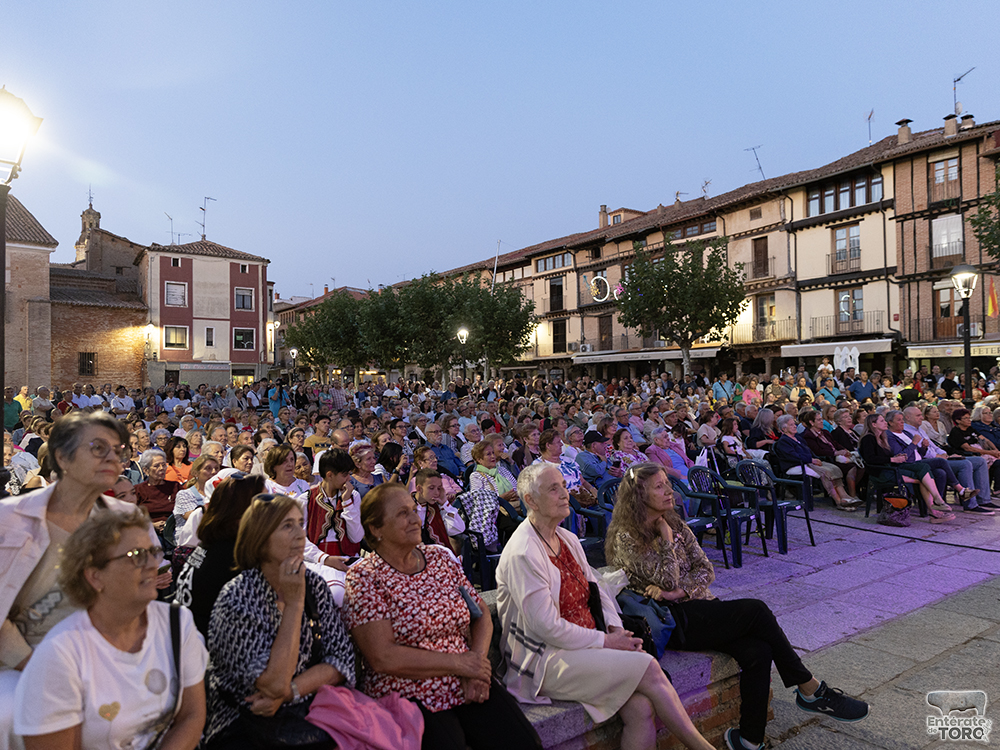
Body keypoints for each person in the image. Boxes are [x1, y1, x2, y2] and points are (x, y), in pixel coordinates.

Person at [606, 463, 868, 749]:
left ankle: (749, 741)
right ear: (638, 494)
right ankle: (810, 688)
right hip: (672, 619)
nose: (669, 490)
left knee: (759, 650)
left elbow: (705, 569)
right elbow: (666, 580)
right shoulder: (626, 536)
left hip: (696, 606)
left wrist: (679, 590)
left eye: (668, 483)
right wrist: (666, 542)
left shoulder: (675, 521)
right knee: (755, 610)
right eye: (659, 486)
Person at [496, 463, 714, 750]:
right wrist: (606, 641)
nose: (565, 493)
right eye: (554, 488)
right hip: (545, 661)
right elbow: (545, 627)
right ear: (530, 501)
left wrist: (614, 628)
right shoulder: (523, 552)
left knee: (640, 708)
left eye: (564, 485)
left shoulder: (567, 538)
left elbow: (597, 591)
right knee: (648, 666)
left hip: (583, 647)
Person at [0, 412, 163, 749]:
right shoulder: (10, 518)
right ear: (62, 457)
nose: (111, 458)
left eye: (117, 450)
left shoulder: (129, 521)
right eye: (98, 448)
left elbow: (141, 601)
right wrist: (37, 666)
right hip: (20, 663)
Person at [345, 482, 542, 750]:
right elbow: (382, 657)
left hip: (465, 676)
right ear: (375, 529)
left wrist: (476, 666)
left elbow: (481, 613)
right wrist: (460, 664)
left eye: (414, 510)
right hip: (408, 690)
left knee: (522, 741)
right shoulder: (366, 576)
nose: (415, 519)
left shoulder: (440, 558)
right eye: (402, 513)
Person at [13, 508, 207, 750]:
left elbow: (192, 716)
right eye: (136, 555)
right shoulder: (60, 655)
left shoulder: (178, 623)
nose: (152, 564)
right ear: (94, 576)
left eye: (153, 552)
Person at [203, 493, 356, 747]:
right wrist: (294, 604)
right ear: (260, 538)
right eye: (287, 526)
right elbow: (272, 683)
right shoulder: (238, 596)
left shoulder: (314, 584)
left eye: (299, 523)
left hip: (310, 711)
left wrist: (291, 692)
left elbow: (342, 659)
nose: (299, 534)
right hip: (245, 724)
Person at [176, 473, 266, 637]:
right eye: (265, 501)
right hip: (209, 648)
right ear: (243, 510)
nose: (274, 507)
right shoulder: (235, 557)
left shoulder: (213, 543)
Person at [859, 414, 955, 521]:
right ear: (873, 425)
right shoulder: (868, 438)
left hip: (891, 468)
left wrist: (896, 457)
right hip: (882, 473)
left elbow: (885, 456)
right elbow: (870, 459)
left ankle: (936, 506)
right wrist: (892, 459)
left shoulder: (882, 438)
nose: (885, 422)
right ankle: (935, 509)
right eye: (882, 421)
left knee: (923, 470)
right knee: (923, 472)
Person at [773, 414, 861, 510]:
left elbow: (809, 451)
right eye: (791, 425)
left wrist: (816, 458)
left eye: (794, 424)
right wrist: (811, 460)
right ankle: (839, 502)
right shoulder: (784, 442)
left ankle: (845, 497)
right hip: (796, 465)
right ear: (784, 429)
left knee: (835, 469)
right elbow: (793, 456)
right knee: (826, 473)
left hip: (808, 462)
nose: (795, 426)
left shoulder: (798, 438)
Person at [304, 448, 364, 560]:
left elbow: (356, 537)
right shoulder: (306, 499)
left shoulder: (353, 496)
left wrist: (347, 503)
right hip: (319, 561)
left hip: (348, 558)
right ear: (330, 475)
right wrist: (323, 558)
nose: (349, 479)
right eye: (345, 474)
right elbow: (300, 540)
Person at [466, 440, 520, 551]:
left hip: (516, 504)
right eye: (488, 454)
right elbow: (480, 500)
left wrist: (515, 494)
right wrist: (502, 497)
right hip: (494, 512)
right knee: (516, 527)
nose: (492, 456)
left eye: (492, 453)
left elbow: (516, 487)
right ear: (479, 459)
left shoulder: (502, 470)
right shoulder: (476, 476)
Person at [136, 448, 181, 532]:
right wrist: (151, 525)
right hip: (147, 530)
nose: (161, 468)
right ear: (146, 470)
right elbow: (132, 516)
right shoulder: (138, 490)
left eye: (164, 465)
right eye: (157, 466)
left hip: (174, 529)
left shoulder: (175, 486)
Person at [173, 455, 221, 527]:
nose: (214, 472)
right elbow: (194, 519)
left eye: (216, 468)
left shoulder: (221, 493)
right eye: (208, 468)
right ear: (196, 473)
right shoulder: (185, 495)